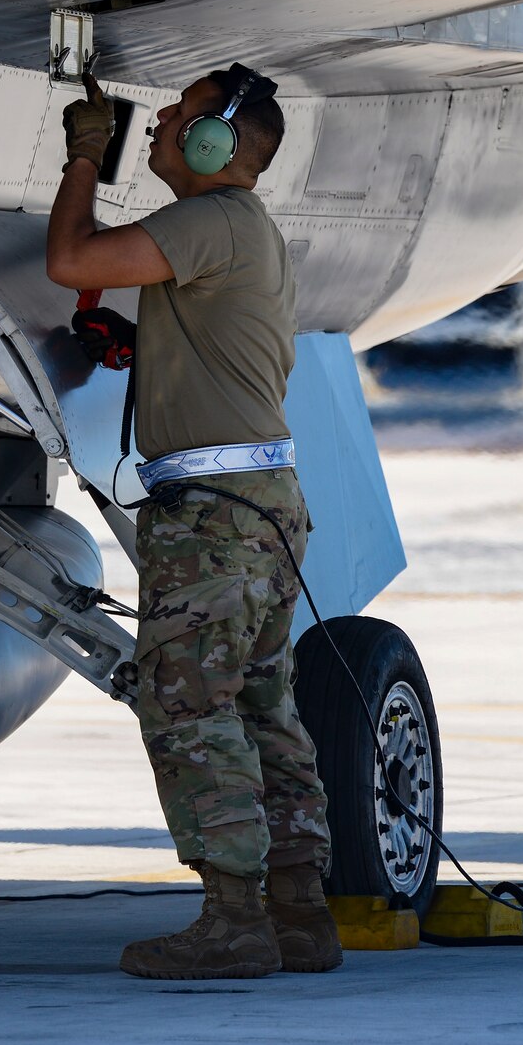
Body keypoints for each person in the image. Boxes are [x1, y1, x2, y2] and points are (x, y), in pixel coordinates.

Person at [45, 63, 339, 981]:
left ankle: (232, 919)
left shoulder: (209, 222)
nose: (165, 121)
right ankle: (298, 913)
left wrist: (85, 154)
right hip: (263, 506)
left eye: (181, 114)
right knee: (259, 700)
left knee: (184, 703)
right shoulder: (241, 232)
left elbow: (73, 262)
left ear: (218, 144)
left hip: (213, 519)